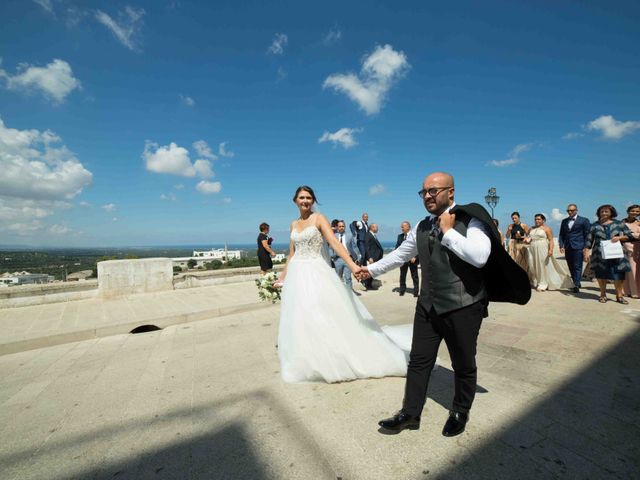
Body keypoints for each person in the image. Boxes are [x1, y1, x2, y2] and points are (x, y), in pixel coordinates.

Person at [359, 172, 530, 438]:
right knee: (418, 361)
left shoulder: (471, 220)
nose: (427, 196)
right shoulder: (421, 226)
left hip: (463, 305)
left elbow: (480, 256)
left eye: (433, 191)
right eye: (424, 192)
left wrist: (449, 231)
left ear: (451, 192)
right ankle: (410, 413)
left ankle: (460, 411)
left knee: (463, 362)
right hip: (427, 305)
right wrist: (370, 270)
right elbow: (400, 256)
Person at [275, 186, 411, 383]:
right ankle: (308, 357)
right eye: (302, 197)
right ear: (295, 200)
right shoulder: (293, 224)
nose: (305, 201)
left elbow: (335, 243)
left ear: (313, 201)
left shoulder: (319, 219)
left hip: (315, 271)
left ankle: (331, 357)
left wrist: (353, 266)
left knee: (319, 311)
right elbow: (291, 254)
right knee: (301, 315)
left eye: (309, 198)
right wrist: (282, 277)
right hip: (297, 273)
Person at [586, 205, 633, 304]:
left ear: (611, 212)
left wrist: (619, 238)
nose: (603, 213)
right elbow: (589, 239)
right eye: (602, 211)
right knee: (601, 274)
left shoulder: (619, 224)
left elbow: (630, 235)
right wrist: (586, 251)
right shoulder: (594, 225)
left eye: (606, 211)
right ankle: (603, 295)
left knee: (618, 275)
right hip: (599, 254)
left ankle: (619, 296)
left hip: (617, 253)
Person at [524, 214, 573, 291]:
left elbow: (551, 240)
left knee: (542, 265)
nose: (537, 221)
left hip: (542, 248)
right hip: (532, 248)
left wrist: (550, 250)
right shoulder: (531, 228)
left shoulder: (547, 229)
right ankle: (537, 281)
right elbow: (528, 238)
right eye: (536, 219)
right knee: (533, 265)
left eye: (539, 219)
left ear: (543, 220)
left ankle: (543, 283)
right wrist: (526, 240)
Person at [558, 204, 591, 293]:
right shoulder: (564, 221)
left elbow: (587, 235)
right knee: (570, 265)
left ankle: (576, 284)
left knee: (577, 266)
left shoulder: (584, 220)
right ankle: (576, 281)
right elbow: (561, 234)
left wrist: (586, 247)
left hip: (579, 247)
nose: (570, 212)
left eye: (572, 210)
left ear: (576, 210)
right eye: (568, 210)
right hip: (568, 247)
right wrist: (561, 245)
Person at [329, 220, 359, 291]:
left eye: (343, 226)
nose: (341, 228)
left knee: (348, 277)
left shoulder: (349, 236)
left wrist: (357, 257)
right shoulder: (334, 236)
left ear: (345, 227)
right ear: (337, 227)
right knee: (338, 278)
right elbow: (330, 247)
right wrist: (332, 257)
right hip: (337, 259)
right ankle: (339, 293)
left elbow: (354, 247)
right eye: (340, 226)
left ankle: (350, 294)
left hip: (348, 259)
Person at [396, 221, 419, 297]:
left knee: (414, 276)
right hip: (403, 260)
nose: (402, 228)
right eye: (401, 227)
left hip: (413, 260)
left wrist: (415, 257)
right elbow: (397, 248)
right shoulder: (400, 237)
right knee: (402, 276)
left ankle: (416, 292)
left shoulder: (414, 236)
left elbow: (418, 247)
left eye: (403, 226)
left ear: (408, 227)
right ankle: (402, 290)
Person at [622, 205, 640, 298]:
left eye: (637, 211)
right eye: (633, 211)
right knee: (625, 270)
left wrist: (629, 236)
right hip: (623, 247)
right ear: (628, 211)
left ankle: (635, 292)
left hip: (636, 248)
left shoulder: (639, 222)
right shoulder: (622, 222)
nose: (635, 213)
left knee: (635, 270)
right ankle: (626, 291)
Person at [364, 223, 383, 290]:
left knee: (372, 272)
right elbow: (366, 247)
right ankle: (368, 285)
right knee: (370, 271)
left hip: (375, 258)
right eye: (376, 227)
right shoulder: (368, 235)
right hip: (371, 258)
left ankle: (370, 285)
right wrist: (369, 257)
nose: (377, 228)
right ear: (371, 228)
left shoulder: (373, 235)